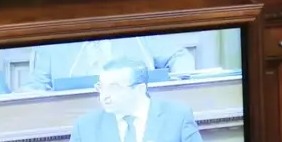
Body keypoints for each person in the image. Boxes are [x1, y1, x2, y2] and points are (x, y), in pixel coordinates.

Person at [64, 58, 208, 142]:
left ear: (139, 89)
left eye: (114, 88)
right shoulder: (85, 127)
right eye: (101, 87)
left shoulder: (177, 118)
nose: (104, 96)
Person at [23, 36, 197, 92]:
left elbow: (179, 57)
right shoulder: (51, 42)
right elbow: (35, 89)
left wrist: (174, 90)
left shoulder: (136, 30)